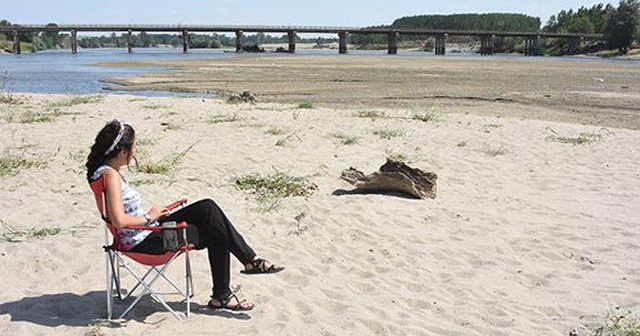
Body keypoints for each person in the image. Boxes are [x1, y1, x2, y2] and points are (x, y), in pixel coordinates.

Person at [85, 119, 284, 311]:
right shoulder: (110, 175)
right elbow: (120, 222)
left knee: (207, 207)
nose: (136, 152)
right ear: (122, 152)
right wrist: (150, 217)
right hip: (146, 242)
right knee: (216, 230)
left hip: (147, 231)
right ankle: (227, 289)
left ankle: (247, 264)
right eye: (134, 147)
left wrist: (154, 217)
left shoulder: (104, 172)